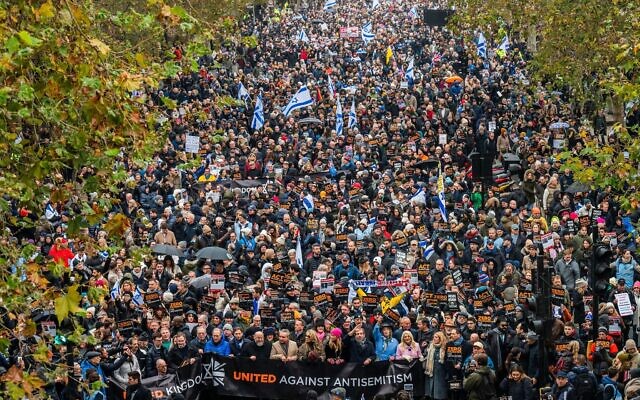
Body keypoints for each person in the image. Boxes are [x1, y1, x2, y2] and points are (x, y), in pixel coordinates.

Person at [421, 331, 448, 400]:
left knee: (440, 390)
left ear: (440, 338)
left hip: (441, 371)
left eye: (436, 337)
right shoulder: (430, 345)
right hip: (431, 370)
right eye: (434, 337)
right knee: (431, 389)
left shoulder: (446, 346)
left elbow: (449, 359)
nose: (434, 339)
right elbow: (425, 355)